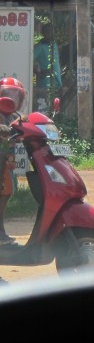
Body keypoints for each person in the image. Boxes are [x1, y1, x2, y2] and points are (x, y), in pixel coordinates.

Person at [0, 77, 26, 246]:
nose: (11, 98)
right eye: (7, 94)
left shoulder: (15, 116)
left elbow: (26, 124)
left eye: (16, 95)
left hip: (6, 162)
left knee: (6, 194)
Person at [32, 23, 62, 113]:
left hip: (56, 83)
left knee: (55, 111)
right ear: (43, 33)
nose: (51, 34)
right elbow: (28, 60)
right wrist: (38, 71)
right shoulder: (40, 47)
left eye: (52, 32)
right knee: (44, 111)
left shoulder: (54, 45)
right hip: (44, 84)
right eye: (48, 32)